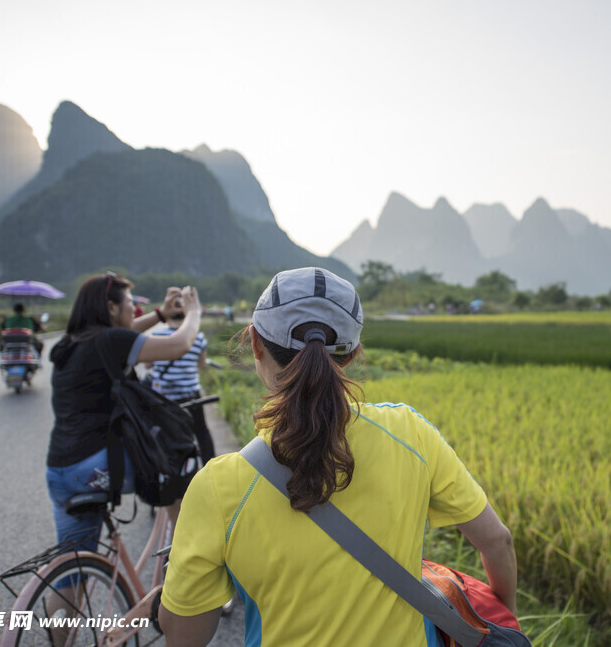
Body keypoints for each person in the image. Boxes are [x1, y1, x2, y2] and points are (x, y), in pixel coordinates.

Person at [159, 267, 517, 646]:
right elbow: (498, 542)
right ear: (353, 353)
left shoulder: (218, 487)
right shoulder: (411, 433)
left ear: (255, 343)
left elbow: (183, 637)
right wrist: (503, 619)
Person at [46, 272, 202, 553]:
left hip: (60, 470)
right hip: (94, 466)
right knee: (179, 463)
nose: (134, 308)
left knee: (75, 565)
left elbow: (127, 332)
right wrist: (194, 312)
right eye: (130, 301)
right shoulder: (110, 341)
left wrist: (161, 314)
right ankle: (183, 559)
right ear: (111, 307)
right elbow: (178, 345)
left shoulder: (70, 343)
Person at [147, 294, 215, 461]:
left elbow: (148, 365)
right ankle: (210, 465)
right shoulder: (197, 337)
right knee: (201, 432)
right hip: (191, 395)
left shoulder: (156, 336)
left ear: (168, 314)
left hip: (163, 397)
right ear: (186, 314)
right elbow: (201, 365)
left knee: (163, 434)